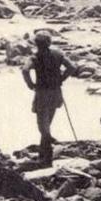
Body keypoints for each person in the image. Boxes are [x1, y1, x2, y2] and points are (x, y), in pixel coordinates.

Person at [21, 32, 79, 166]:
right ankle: (44, 154)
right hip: (55, 92)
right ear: (49, 43)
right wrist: (62, 78)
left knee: (42, 126)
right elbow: (72, 67)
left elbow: (25, 70)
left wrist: (30, 84)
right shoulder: (58, 55)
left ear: (36, 44)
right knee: (48, 123)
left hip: (42, 93)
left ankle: (47, 154)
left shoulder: (35, 57)